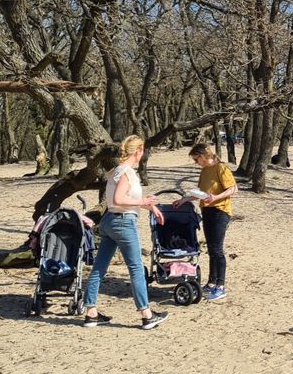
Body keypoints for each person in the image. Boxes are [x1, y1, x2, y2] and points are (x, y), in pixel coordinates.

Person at [83, 135, 170, 330]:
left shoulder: (115, 171)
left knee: (99, 267)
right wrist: (143, 202)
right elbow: (120, 199)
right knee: (136, 268)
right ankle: (146, 315)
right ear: (138, 151)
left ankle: (91, 312)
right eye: (143, 151)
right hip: (123, 223)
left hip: (110, 221)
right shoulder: (127, 173)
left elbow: (121, 200)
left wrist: (150, 207)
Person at [173, 142, 237, 301]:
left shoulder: (221, 168)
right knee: (211, 248)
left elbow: (234, 188)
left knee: (217, 249)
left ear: (203, 156)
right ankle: (211, 282)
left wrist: (216, 197)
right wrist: (185, 199)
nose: (196, 163)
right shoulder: (204, 171)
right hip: (206, 210)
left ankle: (220, 286)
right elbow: (202, 193)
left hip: (220, 211)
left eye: (196, 159)